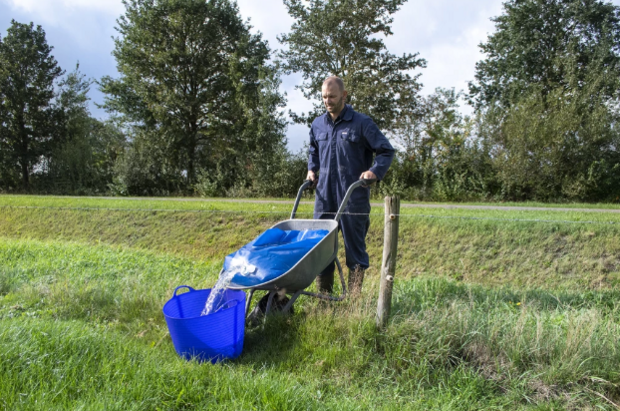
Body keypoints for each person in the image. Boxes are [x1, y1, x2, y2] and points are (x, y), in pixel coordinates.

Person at [307, 76, 395, 295]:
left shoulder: (361, 123)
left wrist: (374, 171)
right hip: (324, 197)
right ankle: (324, 299)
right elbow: (313, 150)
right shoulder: (317, 124)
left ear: (344, 95)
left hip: (352, 197)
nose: (328, 101)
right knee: (321, 249)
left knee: (355, 251)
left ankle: (354, 302)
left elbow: (386, 151)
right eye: (324, 97)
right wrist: (311, 169)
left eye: (332, 96)